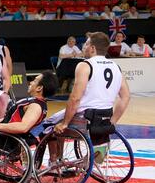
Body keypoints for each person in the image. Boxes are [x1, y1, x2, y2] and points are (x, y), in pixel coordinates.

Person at [52, 32, 130, 164]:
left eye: (86, 44)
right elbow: (126, 97)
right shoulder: (116, 66)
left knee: (50, 124)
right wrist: (112, 122)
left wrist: (65, 123)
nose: (84, 47)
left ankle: (56, 161)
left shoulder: (85, 65)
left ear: (93, 48)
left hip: (85, 119)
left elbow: (75, 98)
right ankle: (98, 153)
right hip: (104, 118)